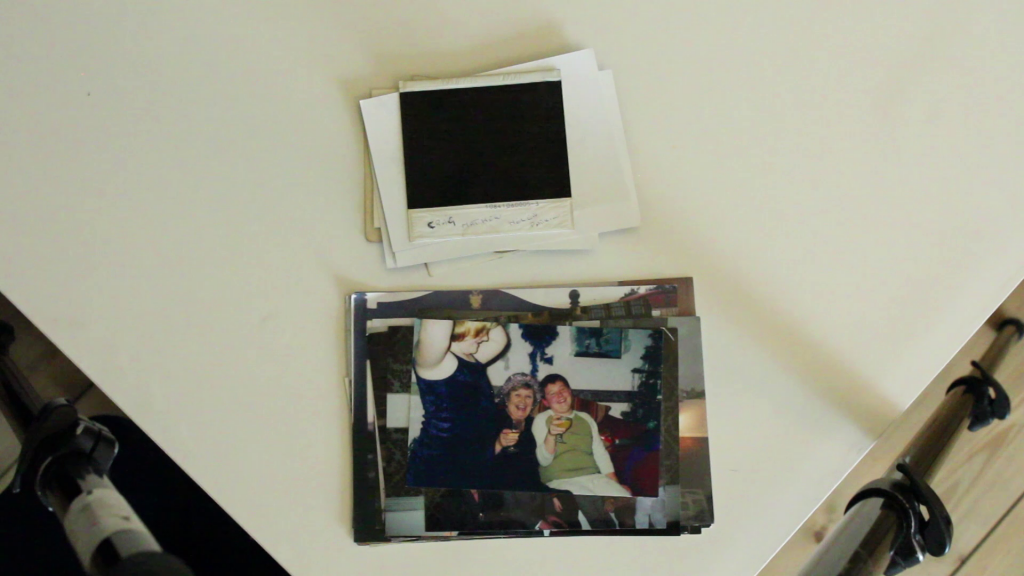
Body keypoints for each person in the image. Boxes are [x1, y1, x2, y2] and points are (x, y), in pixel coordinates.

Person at [407, 319, 508, 490]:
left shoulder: (472, 357)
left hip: (475, 461)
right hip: (441, 464)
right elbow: (437, 319)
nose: (484, 338)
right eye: (480, 332)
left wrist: (484, 310)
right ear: (460, 326)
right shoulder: (434, 360)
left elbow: (500, 339)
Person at [532, 374, 631, 528]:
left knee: (626, 496)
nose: (559, 395)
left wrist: (615, 485)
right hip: (561, 479)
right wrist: (551, 435)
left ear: (570, 392)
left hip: (592, 476)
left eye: (562, 390)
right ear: (545, 401)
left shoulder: (585, 418)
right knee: (588, 499)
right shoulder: (542, 419)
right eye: (552, 393)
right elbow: (543, 460)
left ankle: (630, 532)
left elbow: (600, 454)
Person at [490, 373, 581, 530]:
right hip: (503, 486)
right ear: (507, 398)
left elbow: (543, 458)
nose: (522, 401)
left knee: (567, 500)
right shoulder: (493, 420)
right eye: (517, 395)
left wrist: (549, 496)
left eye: (528, 396)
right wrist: (498, 443)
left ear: (534, 402)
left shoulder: (535, 423)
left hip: (532, 486)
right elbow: (476, 459)